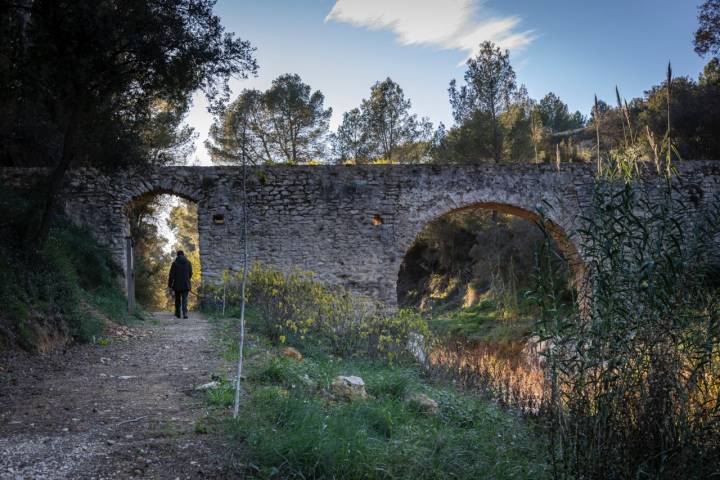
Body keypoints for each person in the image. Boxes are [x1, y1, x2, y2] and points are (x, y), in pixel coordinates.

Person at [168, 250, 193, 318]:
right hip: (186, 284)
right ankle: (185, 313)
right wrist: (187, 279)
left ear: (177, 255)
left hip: (177, 285)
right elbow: (190, 273)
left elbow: (171, 275)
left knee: (177, 299)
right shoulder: (188, 263)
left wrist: (170, 285)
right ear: (183, 255)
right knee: (185, 299)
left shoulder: (174, 263)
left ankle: (178, 313)